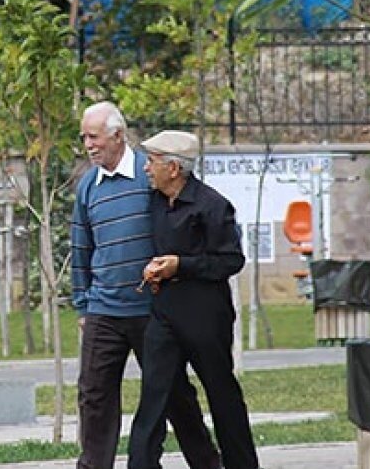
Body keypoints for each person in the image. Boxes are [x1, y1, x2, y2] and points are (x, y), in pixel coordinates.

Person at [72, 103, 222, 469]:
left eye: (94, 137)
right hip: (103, 309)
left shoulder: (149, 176)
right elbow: (81, 247)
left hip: (151, 311)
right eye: (84, 138)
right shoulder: (88, 186)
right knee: (94, 396)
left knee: (174, 396)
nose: (88, 145)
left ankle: (207, 463)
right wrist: (82, 304)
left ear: (118, 136)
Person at [127, 130, 261, 469]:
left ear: (173, 168)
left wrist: (180, 266)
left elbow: (231, 260)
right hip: (164, 316)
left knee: (222, 395)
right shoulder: (155, 200)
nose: (146, 168)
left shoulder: (213, 206)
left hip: (206, 317)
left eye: (152, 161)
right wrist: (157, 268)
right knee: (153, 397)